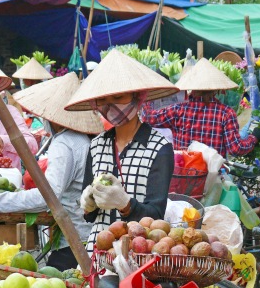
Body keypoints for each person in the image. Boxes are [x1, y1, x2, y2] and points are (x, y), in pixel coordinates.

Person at [0, 73, 104, 270]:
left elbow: (46, 197)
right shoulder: (79, 139)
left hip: (76, 242)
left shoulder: (65, 144)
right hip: (85, 236)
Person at [66, 49, 178, 253]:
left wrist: (125, 204)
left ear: (137, 96)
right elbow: (89, 216)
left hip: (138, 253)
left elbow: (156, 216)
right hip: (98, 251)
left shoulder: (159, 147)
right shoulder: (97, 145)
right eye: (103, 100)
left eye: (118, 97)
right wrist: (88, 204)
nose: (111, 106)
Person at [141, 58, 260, 157]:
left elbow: (148, 118)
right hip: (213, 178)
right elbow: (236, 149)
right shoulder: (226, 113)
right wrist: (254, 138)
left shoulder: (178, 110)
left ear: (191, 86)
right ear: (217, 89)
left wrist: (147, 97)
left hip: (184, 176)